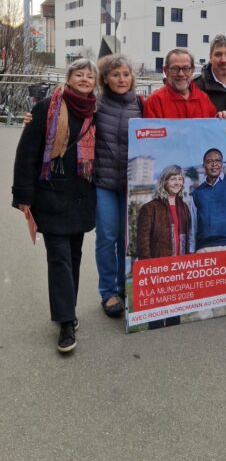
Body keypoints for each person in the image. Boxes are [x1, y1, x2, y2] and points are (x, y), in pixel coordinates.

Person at [12, 59, 98, 354]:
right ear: (69, 77)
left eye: (90, 75)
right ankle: (65, 321)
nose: (85, 79)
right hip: (50, 194)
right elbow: (27, 153)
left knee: (73, 255)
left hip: (82, 195)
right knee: (59, 257)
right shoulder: (46, 108)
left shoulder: (96, 111)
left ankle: (68, 310)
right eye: (79, 74)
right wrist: (24, 195)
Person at [95, 55, 144, 317]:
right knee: (107, 237)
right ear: (105, 79)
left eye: (125, 74)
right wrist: (32, 118)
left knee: (128, 240)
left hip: (131, 183)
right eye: (115, 75)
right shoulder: (96, 103)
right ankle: (108, 291)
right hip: (103, 182)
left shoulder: (141, 103)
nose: (121, 79)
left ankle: (126, 285)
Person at [137, 165, 190, 328]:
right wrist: (149, 267)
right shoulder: (150, 208)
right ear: (164, 181)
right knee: (157, 316)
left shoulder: (184, 207)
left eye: (180, 179)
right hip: (158, 269)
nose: (177, 182)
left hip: (179, 268)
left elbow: (188, 237)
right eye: (173, 178)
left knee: (175, 314)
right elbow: (143, 242)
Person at [189, 148, 226, 251]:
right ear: (204, 166)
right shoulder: (196, 193)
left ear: (222, 164)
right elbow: (193, 227)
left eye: (218, 160)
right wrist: (192, 252)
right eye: (209, 161)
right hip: (203, 249)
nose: (214, 164)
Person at [143, 48, 224, 119]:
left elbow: (212, 132)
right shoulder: (154, 102)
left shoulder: (204, 99)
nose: (181, 74)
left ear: (192, 70)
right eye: (175, 68)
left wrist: (220, 119)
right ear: (166, 71)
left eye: (186, 68)